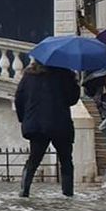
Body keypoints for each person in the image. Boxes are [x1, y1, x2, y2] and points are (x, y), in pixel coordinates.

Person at [14, 60, 80, 197]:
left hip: (36, 125)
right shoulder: (65, 75)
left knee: (33, 160)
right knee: (66, 160)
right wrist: (74, 81)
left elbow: (19, 98)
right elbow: (72, 99)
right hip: (60, 123)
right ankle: (68, 193)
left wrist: (24, 119)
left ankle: (24, 190)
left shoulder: (29, 76)